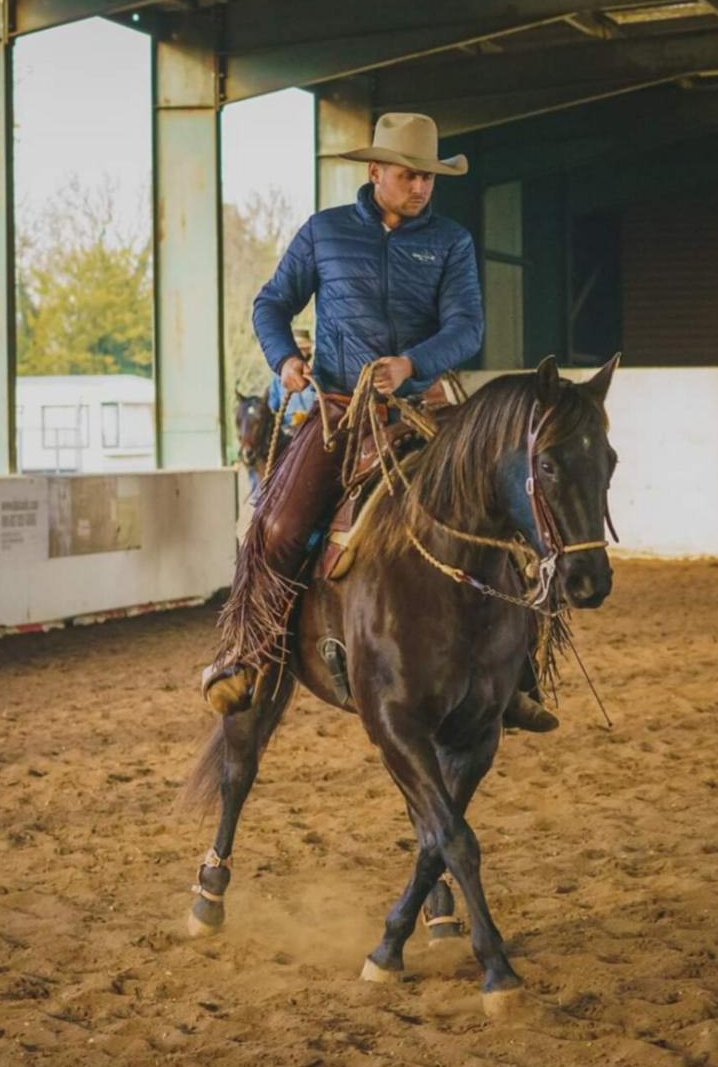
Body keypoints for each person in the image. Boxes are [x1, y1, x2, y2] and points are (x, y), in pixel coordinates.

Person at [202, 111, 557, 731]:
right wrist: (284, 358)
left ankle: (517, 668)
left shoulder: (451, 241)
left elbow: (467, 327)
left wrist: (412, 363)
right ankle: (248, 655)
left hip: (430, 410)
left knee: (518, 513)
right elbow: (272, 303)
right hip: (342, 412)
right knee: (278, 524)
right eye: (409, 174)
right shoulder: (324, 233)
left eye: (429, 178)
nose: (421, 187)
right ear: (375, 172)